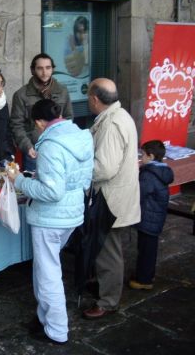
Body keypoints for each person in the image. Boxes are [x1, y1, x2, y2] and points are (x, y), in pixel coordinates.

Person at [7, 99, 93, 345]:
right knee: (47, 268)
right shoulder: (81, 136)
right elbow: (80, 178)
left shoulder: (50, 146)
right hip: (72, 212)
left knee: (48, 274)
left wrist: (19, 181)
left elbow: (52, 192)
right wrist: (38, 177)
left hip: (50, 217)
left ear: (38, 122)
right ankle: (45, 318)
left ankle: (56, 329)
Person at [82, 78, 141, 320]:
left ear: (95, 99)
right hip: (115, 196)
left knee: (109, 251)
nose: (88, 101)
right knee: (106, 248)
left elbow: (104, 168)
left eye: (89, 97)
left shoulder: (112, 123)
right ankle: (105, 287)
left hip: (111, 199)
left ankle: (108, 301)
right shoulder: (119, 116)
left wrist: (79, 173)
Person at [10, 53, 73, 172]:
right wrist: (27, 147)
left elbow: (68, 117)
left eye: (48, 68)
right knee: (33, 186)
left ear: (52, 69)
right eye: (40, 68)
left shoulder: (63, 91)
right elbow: (16, 125)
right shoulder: (21, 95)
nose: (44, 72)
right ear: (33, 70)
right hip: (34, 151)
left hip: (58, 148)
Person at [129, 140, 174, 290]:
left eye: (143, 155)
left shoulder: (149, 174)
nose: (141, 158)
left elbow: (139, 194)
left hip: (148, 218)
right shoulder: (162, 171)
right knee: (150, 249)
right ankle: (148, 274)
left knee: (146, 250)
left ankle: (144, 280)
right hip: (155, 217)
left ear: (151, 156)